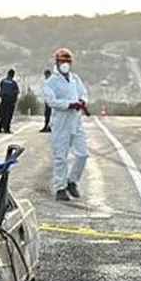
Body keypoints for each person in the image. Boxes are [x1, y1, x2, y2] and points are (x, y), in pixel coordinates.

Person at [42, 48, 89, 202]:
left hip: (76, 121)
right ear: (57, 62)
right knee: (60, 157)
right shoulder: (50, 82)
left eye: (68, 61)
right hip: (61, 123)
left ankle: (72, 181)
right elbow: (51, 102)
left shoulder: (75, 79)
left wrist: (82, 101)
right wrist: (69, 104)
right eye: (63, 61)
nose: (66, 64)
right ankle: (60, 188)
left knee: (82, 154)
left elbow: (83, 93)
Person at [0, 69, 20, 133]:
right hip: (10, 101)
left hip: (3, 100)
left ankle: (0, 128)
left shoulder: (3, 81)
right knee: (8, 115)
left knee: (2, 114)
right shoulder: (14, 83)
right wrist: (15, 100)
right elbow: (17, 92)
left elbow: (1, 89)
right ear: (13, 75)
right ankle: (6, 129)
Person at [40, 69, 53, 133]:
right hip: (47, 101)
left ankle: (49, 127)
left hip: (52, 101)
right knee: (47, 114)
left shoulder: (52, 82)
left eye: (46, 75)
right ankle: (46, 126)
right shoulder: (46, 82)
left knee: (50, 115)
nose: (45, 76)